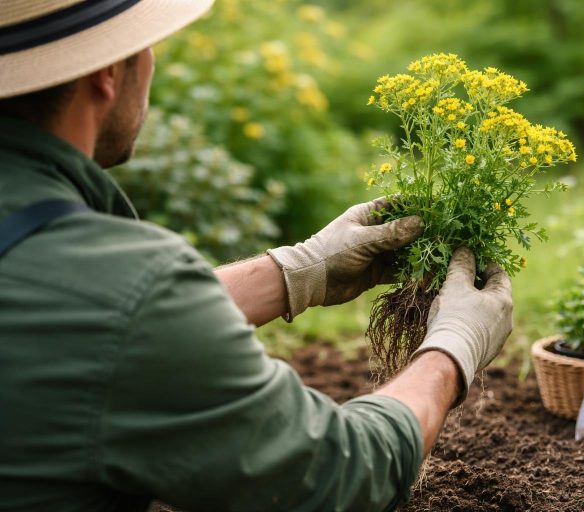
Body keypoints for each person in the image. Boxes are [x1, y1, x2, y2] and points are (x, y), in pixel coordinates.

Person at [0, 1, 513, 511]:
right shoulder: (128, 289)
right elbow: (337, 473)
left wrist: (298, 270)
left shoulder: (79, 277)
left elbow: (92, 320)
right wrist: (452, 351)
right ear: (108, 73)